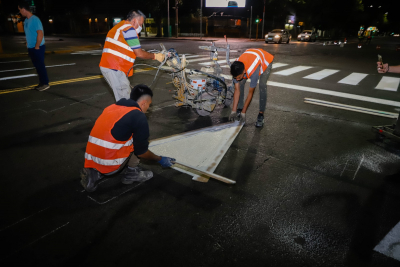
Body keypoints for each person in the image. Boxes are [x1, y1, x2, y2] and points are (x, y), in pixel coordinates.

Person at [81, 84, 176, 192]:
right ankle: (132, 174)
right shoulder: (138, 116)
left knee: (122, 136)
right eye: (149, 104)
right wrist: (159, 159)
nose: (148, 108)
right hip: (110, 164)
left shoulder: (111, 108)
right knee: (139, 141)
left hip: (92, 159)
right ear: (144, 103)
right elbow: (141, 152)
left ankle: (95, 173)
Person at [99, 10, 165, 101]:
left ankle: (125, 113)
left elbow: (130, 49)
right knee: (125, 100)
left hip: (111, 66)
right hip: (114, 67)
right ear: (134, 21)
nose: (141, 27)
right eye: (140, 24)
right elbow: (139, 53)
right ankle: (125, 114)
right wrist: (155, 56)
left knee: (125, 96)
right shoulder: (129, 29)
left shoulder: (121, 26)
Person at [229, 49, 274, 127]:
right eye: (236, 78)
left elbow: (250, 93)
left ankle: (261, 115)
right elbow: (237, 90)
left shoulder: (253, 72)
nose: (237, 79)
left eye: (239, 77)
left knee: (262, 85)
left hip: (266, 59)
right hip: (251, 56)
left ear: (243, 71)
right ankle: (239, 108)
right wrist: (233, 110)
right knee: (241, 83)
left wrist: (244, 112)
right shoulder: (236, 68)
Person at [18, 2, 50, 91]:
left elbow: (40, 33)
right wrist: (27, 43)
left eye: (20, 10)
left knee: (40, 66)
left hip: (37, 48)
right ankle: (41, 82)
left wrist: (36, 46)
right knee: (37, 66)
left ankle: (45, 83)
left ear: (23, 9)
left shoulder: (35, 19)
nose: (20, 12)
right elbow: (30, 33)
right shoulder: (26, 21)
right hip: (31, 48)